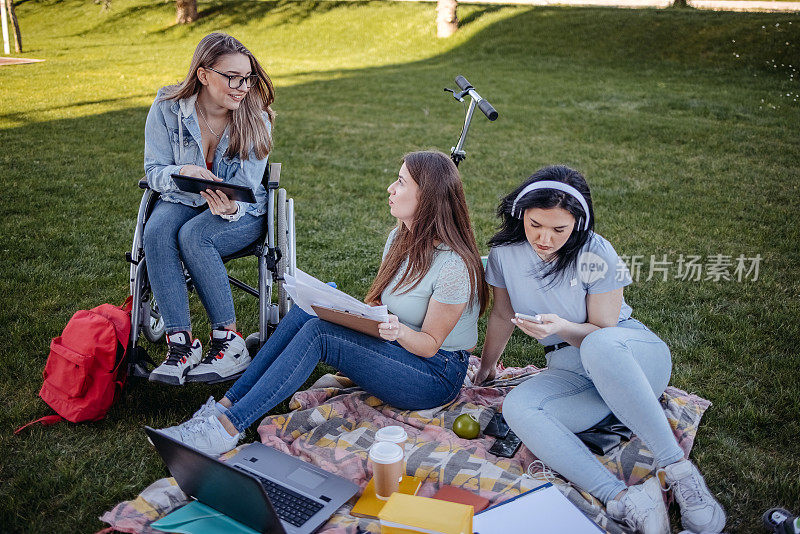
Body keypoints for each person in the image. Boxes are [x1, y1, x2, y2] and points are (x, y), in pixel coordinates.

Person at [158, 150, 490, 456]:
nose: (390, 187)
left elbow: (431, 345)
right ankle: (223, 408)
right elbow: (380, 304)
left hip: (435, 376)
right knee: (307, 309)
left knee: (320, 334)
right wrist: (346, 310)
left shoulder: (453, 266)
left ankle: (227, 429)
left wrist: (395, 329)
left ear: (426, 198)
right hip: (398, 349)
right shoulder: (398, 238)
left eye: (401, 182)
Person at [474, 165, 726, 534]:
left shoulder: (596, 252)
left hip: (629, 357)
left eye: (559, 229)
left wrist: (560, 327)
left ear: (578, 222)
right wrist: (486, 367)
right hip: (571, 371)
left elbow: (603, 332)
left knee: (598, 344)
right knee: (518, 407)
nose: (544, 238)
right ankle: (625, 500)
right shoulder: (504, 253)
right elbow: (502, 313)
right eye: (535, 225)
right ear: (520, 214)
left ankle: (678, 471)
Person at [142, 33, 275, 385]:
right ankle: (181, 343)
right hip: (185, 197)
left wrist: (230, 208)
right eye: (232, 77)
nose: (242, 86)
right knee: (155, 231)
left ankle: (228, 341)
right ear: (203, 75)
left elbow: (248, 188)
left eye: (247, 78)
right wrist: (181, 171)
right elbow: (154, 170)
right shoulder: (167, 108)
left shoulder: (255, 118)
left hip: (242, 212)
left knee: (195, 235)